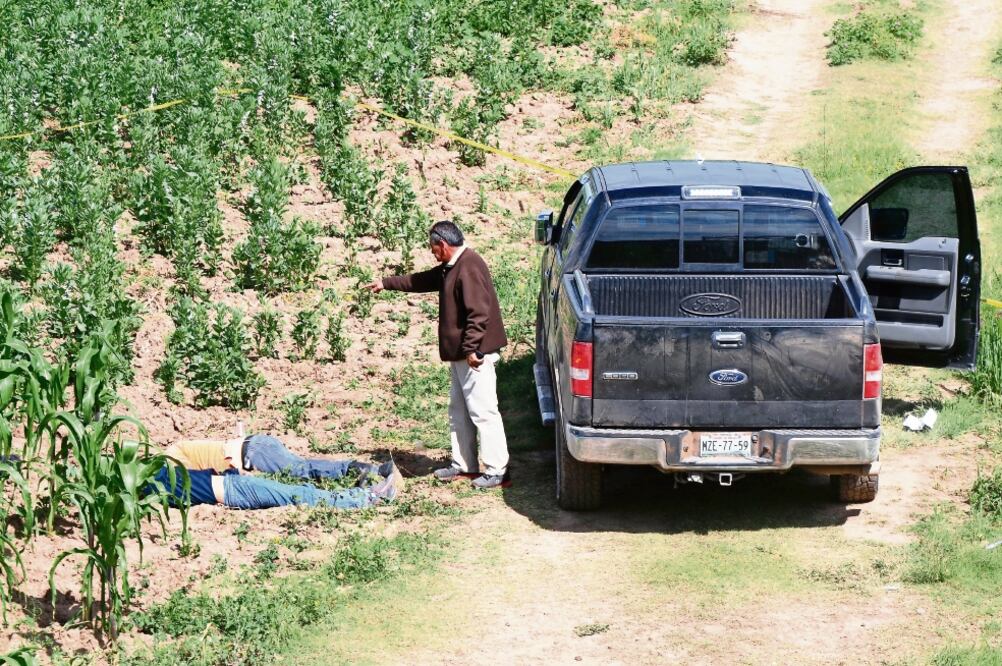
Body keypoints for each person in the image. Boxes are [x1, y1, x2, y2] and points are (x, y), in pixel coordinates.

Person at [366, 220, 510, 489]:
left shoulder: (469, 266)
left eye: (433, 248)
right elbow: (421, 280)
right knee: (459, 412)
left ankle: (497, 470)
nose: (432, 252)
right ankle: (464, 466)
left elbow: (479, 312)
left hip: (474, 356)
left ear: (443, 244)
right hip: (461, 355)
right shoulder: (451, 267)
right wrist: (385, 283)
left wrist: (474, 350)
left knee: (484, 412)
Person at [151, 464, 401, 510]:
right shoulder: (147, 484)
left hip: (233, 484)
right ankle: (366, 498)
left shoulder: (151, 476)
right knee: (300, 494)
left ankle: (364, 493)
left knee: (298, 491)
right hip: (233, 491)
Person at [163, 433, 395, 481]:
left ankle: (363, 469)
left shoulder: (170, 459)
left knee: (302, 470)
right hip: (255, 448)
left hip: (252, 452)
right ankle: (364, 473)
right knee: (302, 470)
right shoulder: (175, 452)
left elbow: (192, 479)